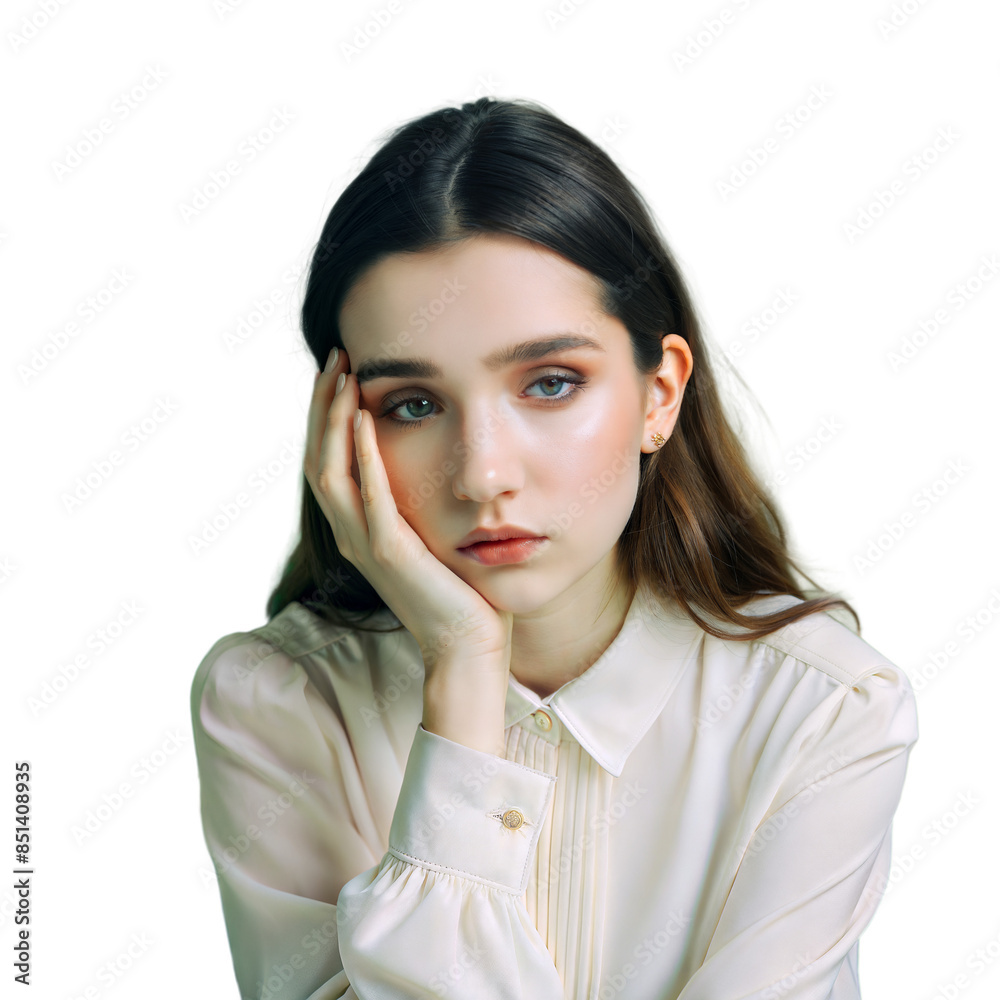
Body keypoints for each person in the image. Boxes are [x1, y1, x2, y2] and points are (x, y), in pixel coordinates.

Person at [190, 96, 919, 1000]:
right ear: (343, 432)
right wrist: (462, 668)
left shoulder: (823, 710)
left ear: (659, 395)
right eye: (412, 404)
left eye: (549, 383)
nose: (483, 474)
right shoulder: (277, 702)